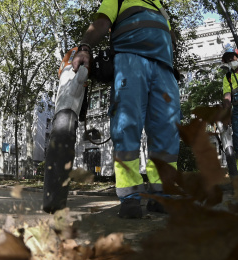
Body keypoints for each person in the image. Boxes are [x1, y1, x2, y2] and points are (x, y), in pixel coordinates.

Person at [71, 0, 181, 218]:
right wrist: (84, 48)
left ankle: (163, 195)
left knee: (168, 130)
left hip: (164, 67)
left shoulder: (159, 4)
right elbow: (102, 22)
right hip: (130, 59)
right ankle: (130, 197)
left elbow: (171, 36)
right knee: (126, 125)